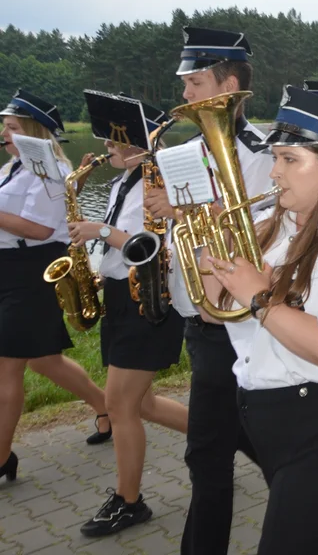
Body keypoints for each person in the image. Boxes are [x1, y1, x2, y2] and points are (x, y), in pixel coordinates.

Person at [198, 85, 318, 554]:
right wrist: (211, 261)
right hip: (268, 418)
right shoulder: (271, 224)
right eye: (276, 159)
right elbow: (215, 313)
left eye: (290, 159)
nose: (274, 171)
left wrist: (261, 298)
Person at [142, 26, 275, 555]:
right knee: (215, 449)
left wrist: (183, 213)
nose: (185, 95)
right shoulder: (183, 152)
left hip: (244, 322)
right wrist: (166, 222)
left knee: (211, 454)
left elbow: (271, 239)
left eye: (194, 82)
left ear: (230, 82)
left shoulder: (268, 153)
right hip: (201, 320)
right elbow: (187, 234)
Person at [69, 92, 189, 536]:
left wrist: (99, 231)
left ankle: (129, 501)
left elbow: (151, 248)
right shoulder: (124, 180)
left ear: (140, 144)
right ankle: (220, 439)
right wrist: (103, 273)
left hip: (150, 300)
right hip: (124, 295)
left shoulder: (157, 182)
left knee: (120, 404)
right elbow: (126, 246)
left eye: (115, 143)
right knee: (143, 403)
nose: (107, 150)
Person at [0, 90, 113, 486]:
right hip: (8, 268)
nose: (4, 133)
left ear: (33, 131)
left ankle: (1, 456)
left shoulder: (49, 171)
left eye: (12, 127)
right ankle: (105, 406)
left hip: (32, 270)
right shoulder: (12, 168)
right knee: (42, 360)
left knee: (6, 364)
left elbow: (41, 229)